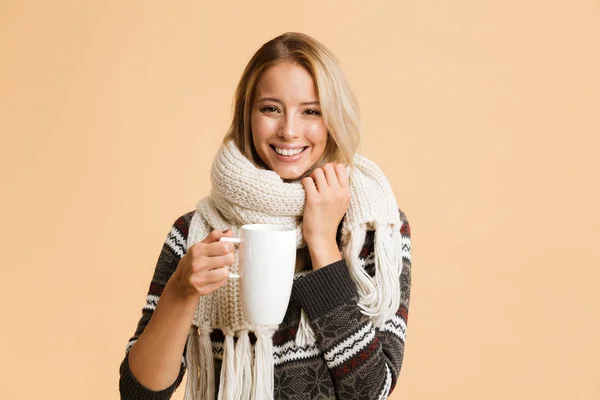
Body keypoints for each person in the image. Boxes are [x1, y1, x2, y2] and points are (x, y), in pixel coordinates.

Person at [119, 32, 412, 400]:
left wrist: (322, 242)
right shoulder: (197, 230)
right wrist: (180, 292)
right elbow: (138, 394)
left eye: (311, 111)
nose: (289, 130)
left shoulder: (374, 227)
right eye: (271, 108)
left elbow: (372, 392)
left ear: (333, 118)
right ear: (248, 115)